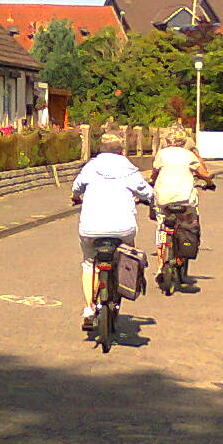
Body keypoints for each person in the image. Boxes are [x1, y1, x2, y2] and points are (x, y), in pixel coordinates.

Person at [70, 131, 154, 329]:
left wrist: (75, 197)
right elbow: (147, 192)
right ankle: (126, 280)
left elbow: (76, 187)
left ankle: (88, 309)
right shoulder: (129, 169)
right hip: (123, 229)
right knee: (128, 253)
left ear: (100, 149)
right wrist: (146, 199)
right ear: (121, 150)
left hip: (91, 228)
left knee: (89, 263)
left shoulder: (91, 167)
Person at [149, 125, 214, 278]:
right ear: (184, 141)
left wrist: (152, 182)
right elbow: (203, 173)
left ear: (167, 141)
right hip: (185, 199)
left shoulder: (161, 154)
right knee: (189, 220)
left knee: (161, 228)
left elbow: (154, 174)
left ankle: (160, 265)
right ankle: (187, 244)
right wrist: (209, 181)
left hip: (163, 199)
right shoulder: (189, 155)